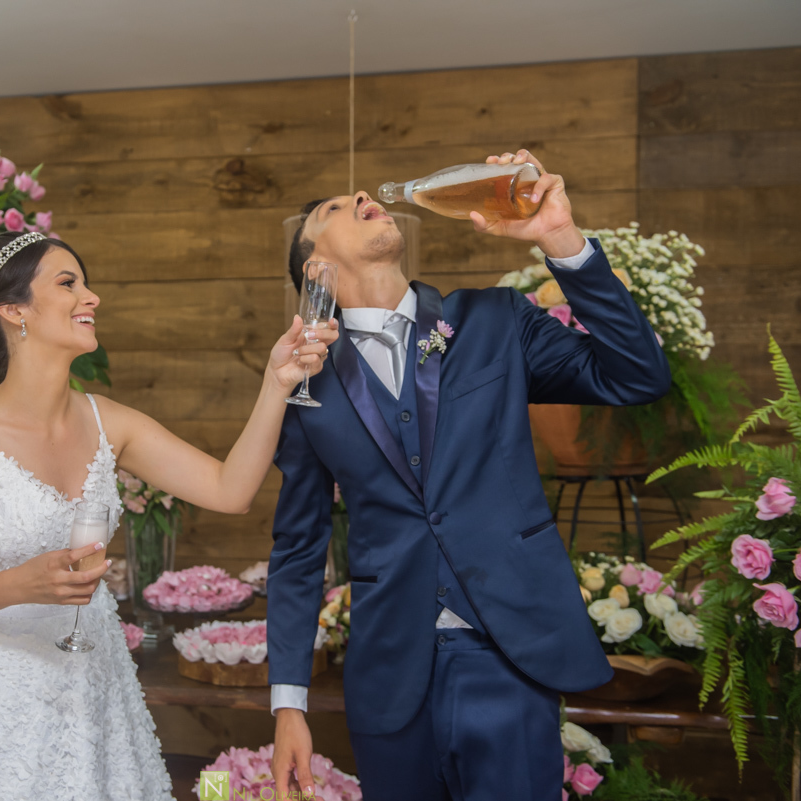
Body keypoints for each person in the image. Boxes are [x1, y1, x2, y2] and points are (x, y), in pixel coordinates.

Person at [268, 151, 670, 801]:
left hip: (511, 656)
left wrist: (560, 238)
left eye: (363, 194)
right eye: (334, 208)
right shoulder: (304, 385)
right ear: (316, 267)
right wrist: (289, 702)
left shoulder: (495, 320)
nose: (364, 196)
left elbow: (638, 375)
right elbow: (297, 547)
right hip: (389, 677)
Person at [0, 230, 337, 801]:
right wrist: (21, 584)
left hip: (95, 695)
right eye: (68, 283)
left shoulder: (108, 422)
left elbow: (230, 490)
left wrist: (276, 383)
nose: (91, 297)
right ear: (14, 310)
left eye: (87, 283)